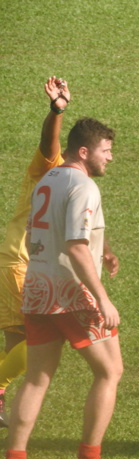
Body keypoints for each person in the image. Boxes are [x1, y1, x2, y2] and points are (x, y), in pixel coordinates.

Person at [0, 117, 122, 459]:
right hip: (72, 292)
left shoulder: (47, 180)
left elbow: (54, 233)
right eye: (106, 151)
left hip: (37, 288)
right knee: (110, 372)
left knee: (37, 379)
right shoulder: (83, 186)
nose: (111, 158)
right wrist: (102, 297)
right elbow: (74, 245)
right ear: (84, 152)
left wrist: (105, 250)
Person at [0, 77, 70, 428]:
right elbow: (47, 142)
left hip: (29, 266)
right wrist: (56, 110)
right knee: (38, 338)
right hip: (18, 263)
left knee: (16, 341)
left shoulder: (74, 185)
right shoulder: (50, 167)